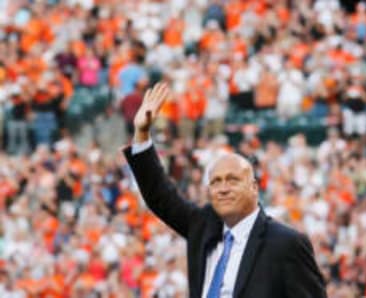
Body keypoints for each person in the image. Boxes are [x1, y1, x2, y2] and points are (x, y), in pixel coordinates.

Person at [123, 82, 327, 298]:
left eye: (232, 180)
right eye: (216, 182)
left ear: (254, 188)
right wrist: (142, 134)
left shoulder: (286, 243)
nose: (223, 189)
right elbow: (160, 196)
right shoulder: (203, 226)